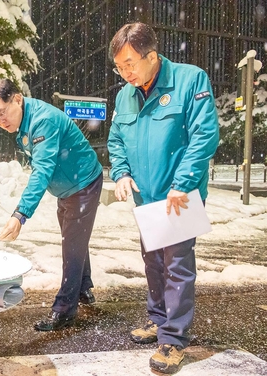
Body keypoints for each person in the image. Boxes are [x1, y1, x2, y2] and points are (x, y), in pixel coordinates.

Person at [107, 23, 219, 374]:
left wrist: (183, 182)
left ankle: (173, 338)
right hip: (147, 199)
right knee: (153, 263)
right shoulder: (125, 94)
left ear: (152, 56)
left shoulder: (190, 80)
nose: (125, 73)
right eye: (119, 67)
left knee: (177, 267)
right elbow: (116, 140)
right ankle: (158, 320)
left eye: (130, 64)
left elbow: (205, 135)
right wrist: (121, 172)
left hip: (178, 198)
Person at [0, 78, 103, 331]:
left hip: (84, 183)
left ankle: (65, 310)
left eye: (1, 112)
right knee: (74, 239)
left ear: (17, 98)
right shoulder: (24, 122)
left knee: (72, 244)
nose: (0, 121)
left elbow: (42, 170)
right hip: (68, 186)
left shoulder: (42, 120)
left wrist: (21, 213)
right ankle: (84, 288)